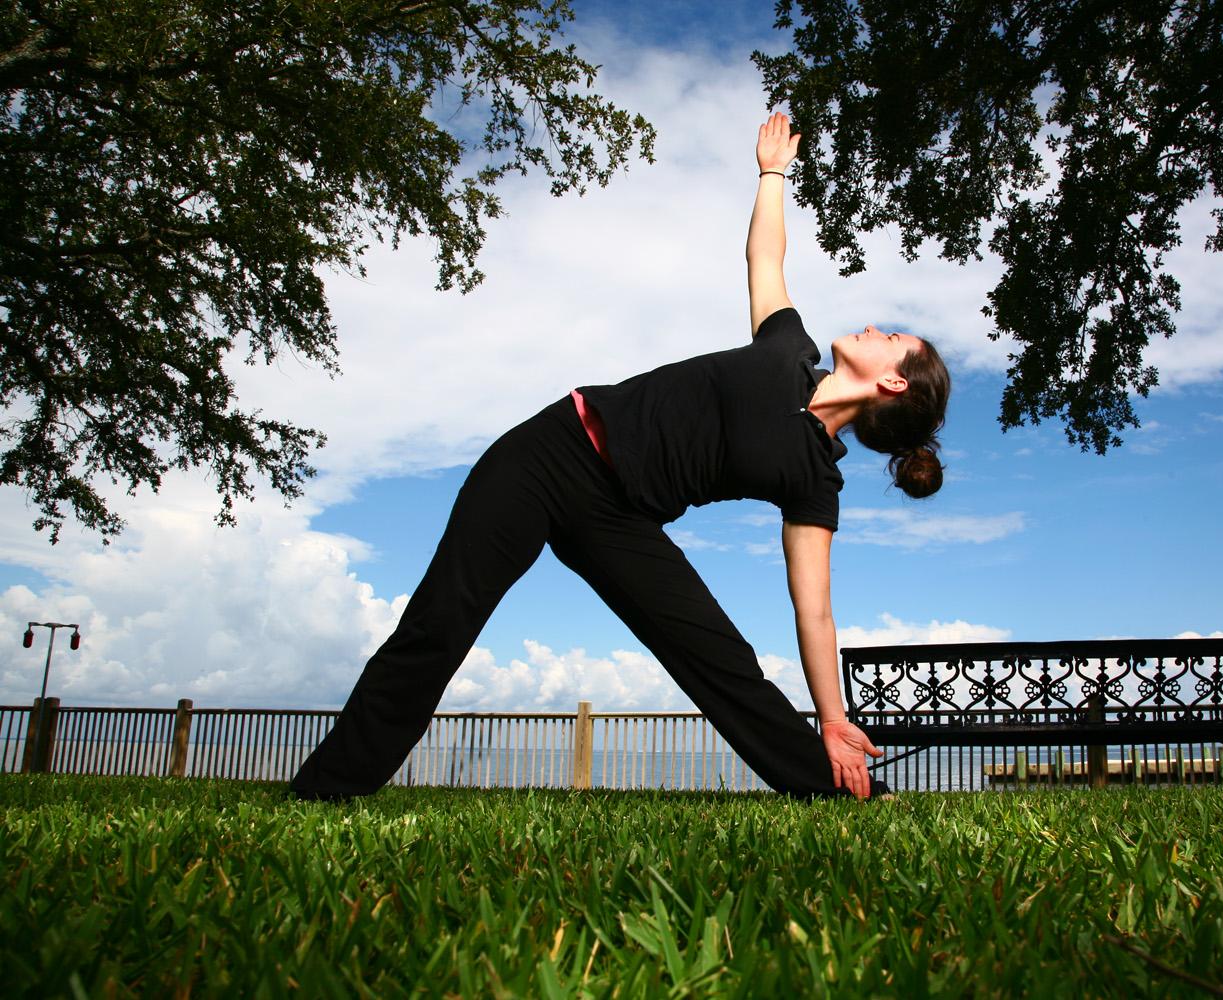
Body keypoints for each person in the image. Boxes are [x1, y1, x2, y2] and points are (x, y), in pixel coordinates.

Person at [290, 112, 951, 803]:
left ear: (893, 381)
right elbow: (765, 259)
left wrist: (835, 719)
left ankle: (835, 787)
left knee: (719, 657)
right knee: (441, 619)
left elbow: (813, 611)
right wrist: (772, 175)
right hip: (552, 452)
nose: (875, 326)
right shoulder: (787, 349)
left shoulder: (816, 479)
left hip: (618, 519)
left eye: (893, 335)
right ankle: (330, 787)